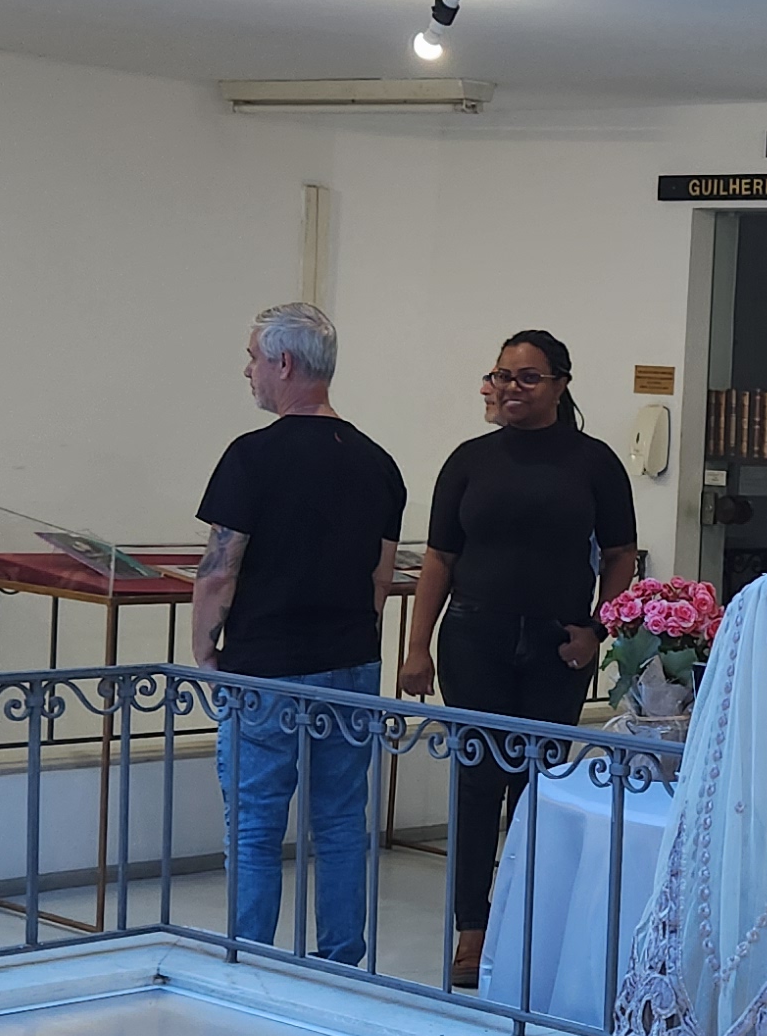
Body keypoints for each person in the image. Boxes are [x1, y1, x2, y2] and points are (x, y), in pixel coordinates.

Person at [401, 326, 641, 990]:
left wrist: (597, 629)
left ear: (561, 385)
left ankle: (527, 920)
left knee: (541, 783)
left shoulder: (593, 462)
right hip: (473, 636)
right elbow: (439, 558)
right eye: (503, 376)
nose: (512, 388)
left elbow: (621, 554)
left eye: (528, 377)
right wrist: (417, 647)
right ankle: (472, 930)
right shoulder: (469, 460)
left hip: (558, 645)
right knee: (477, 782)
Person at [191, 303, 406, 962]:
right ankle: (341, 963)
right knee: (340, 822)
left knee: (255, 825)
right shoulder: (377, 462)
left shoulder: (251, 456)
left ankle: (249, 960)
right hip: (351, 661)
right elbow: (380, 577)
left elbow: (220, 570)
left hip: (265, 667)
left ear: (284, 363)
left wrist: (204, 651)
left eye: (253, 358)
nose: (248, 371)